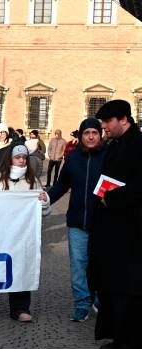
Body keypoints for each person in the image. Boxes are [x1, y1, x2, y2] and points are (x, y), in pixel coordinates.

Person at [88, 100, 142, 349]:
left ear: (123, 120)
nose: (104, 128)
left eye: (107, 122)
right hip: (112, 228)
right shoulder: (115, 145)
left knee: (128, 285)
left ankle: (128, 340)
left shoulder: (138, 145)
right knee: (113, 282)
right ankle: (119, 334)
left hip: (130, 229)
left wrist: (113, 197)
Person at [0, 144, 50, 322]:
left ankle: (20, 308)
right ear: (10, 159)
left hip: (22, 235)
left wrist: (43, 201)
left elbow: (44, 211)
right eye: (17, 157)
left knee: (21, 268)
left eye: (24, 158)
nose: (21, 160)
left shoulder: (33, 182)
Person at [47, 119, 105, 322]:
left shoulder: (109, 157)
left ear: (100, 135)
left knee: (100, 264)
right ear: (80, 136)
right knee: (79, 265)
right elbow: (61, 185)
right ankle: (81, 303)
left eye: (94, 133)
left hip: (103, 223)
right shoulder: (72, 159)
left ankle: (99, 299)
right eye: (87, 133)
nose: (90, 136)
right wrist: (45, 200)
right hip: (77, 221)